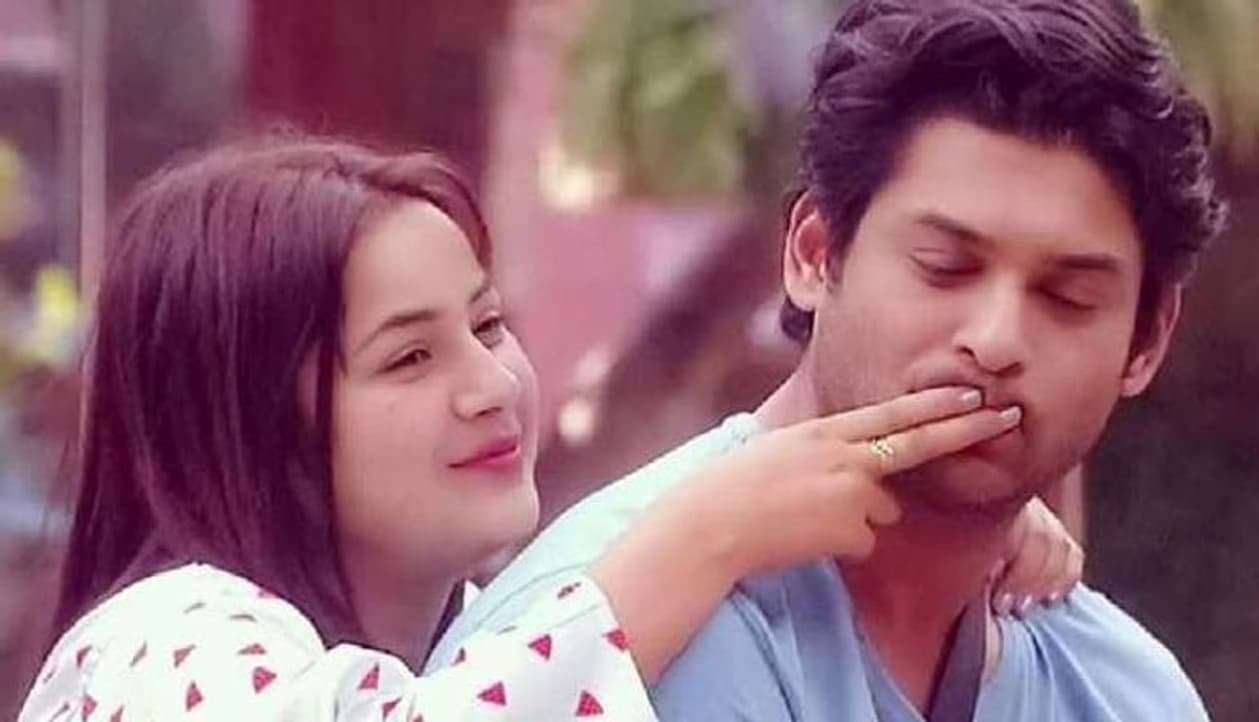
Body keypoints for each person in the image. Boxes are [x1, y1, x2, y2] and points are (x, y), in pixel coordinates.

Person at [16, 138, 1077, 721]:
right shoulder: (160, 643)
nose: (490, 385)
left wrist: (954, 524)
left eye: (488, 325)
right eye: (409, 358)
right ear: (250, 420)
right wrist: (706, 533)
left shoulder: (482, 624)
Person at [436, 1, 1226, 719]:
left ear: (1147, 340)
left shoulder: (1125, 692)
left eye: (1067, 297)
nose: (995, 339)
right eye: (945, 267)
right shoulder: (595, 652)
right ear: (814, 254)